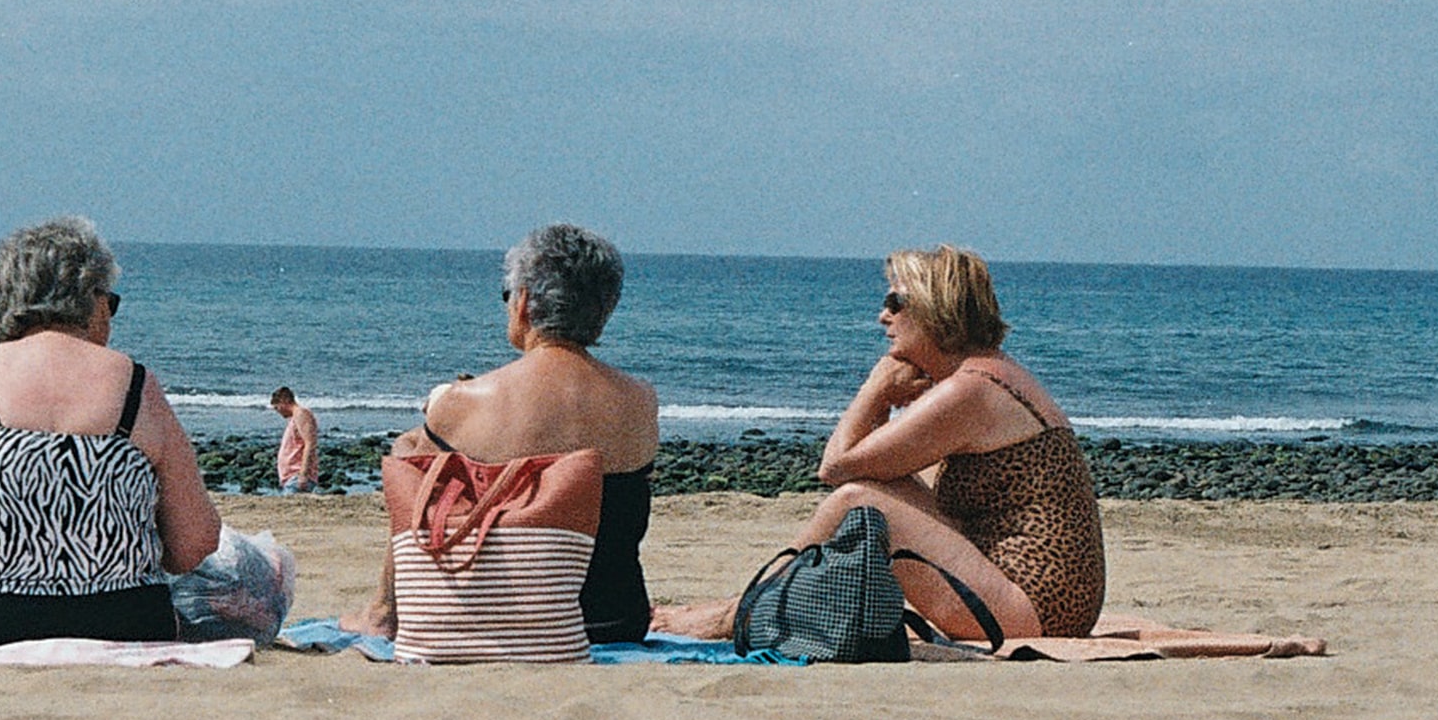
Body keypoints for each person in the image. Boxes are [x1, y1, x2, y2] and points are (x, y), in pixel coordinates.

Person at [658, 246, 1103, 645]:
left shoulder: (971, 389)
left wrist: (875, 389)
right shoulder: (985, 376)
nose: (882, 316)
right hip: (1047, 604)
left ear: (934, 308)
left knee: (855, 500)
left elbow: (836, 468)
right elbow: (878, 468)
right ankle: (747, 603)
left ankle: (738, 613)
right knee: (875, 488)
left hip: (1033, 611)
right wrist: (888, 400)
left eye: (895, 302)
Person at [0, 217, 222, 648]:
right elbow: (196, 542)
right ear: (92, 301)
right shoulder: (135, 385)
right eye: (110, 303)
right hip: (124, 620)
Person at [350, 224, 659, 645]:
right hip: (613, 621)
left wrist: (428, 428)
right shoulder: (641, 401)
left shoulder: (466, 401)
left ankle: (385, 613)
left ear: (525, 303)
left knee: (410, 453)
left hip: (498, 620)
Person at [270, 385, 320, 493]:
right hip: (291, 478)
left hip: (296, 476)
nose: (277, 411)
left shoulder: (301, 414)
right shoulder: (295, 417)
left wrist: (303, 474)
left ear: (284, 401)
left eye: (277, 407)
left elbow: (310, 443)